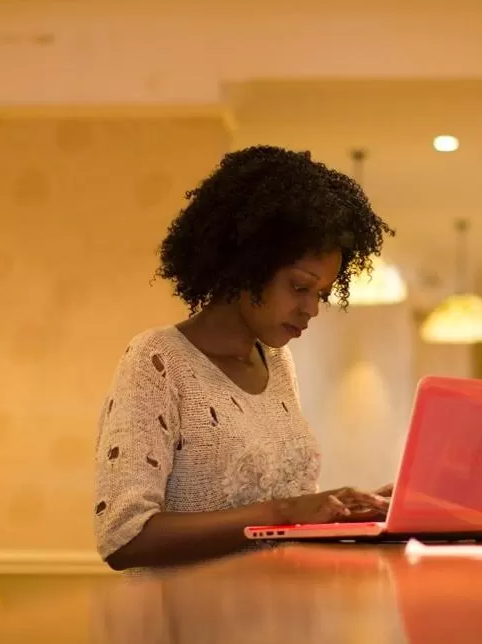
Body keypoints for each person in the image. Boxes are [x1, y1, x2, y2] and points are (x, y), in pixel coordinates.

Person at [94, 146, 395, 571]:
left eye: (322, 293)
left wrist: (343, 511)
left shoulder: (277, 365)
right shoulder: (158, 360)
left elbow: (279, 514)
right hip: (188, 627)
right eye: (299, 287)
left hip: (279, 620)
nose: (312, 309)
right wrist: (284, 512)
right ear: (246, 265)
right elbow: (124, 538)